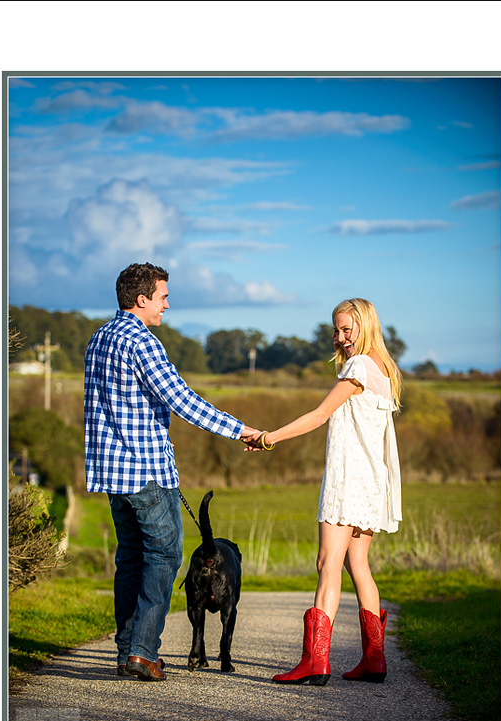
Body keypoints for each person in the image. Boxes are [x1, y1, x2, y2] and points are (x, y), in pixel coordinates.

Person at [84, 262, 261, 683]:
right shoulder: (142, 342)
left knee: (130, 560)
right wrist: (241, 430)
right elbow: (183, 399)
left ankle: (128, 651)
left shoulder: (98, 338)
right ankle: (143, 653)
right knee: (164, 556)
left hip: (111, 472)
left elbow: (114, 407)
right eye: (163, 296)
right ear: (142, 299)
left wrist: (156, 430)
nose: (167, 304)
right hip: (147, 474)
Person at [244, 297, 402, 686]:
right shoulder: (385, 369)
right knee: (357, 565)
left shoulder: (358, 365)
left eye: (347, 329)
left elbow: (319, 415)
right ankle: (374, 660)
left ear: (366, 326)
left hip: (347, 479)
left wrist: (268, 438)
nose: (340, 337)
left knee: (327, 563)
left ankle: (315, 662)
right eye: (336, 330)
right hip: (371, 482)